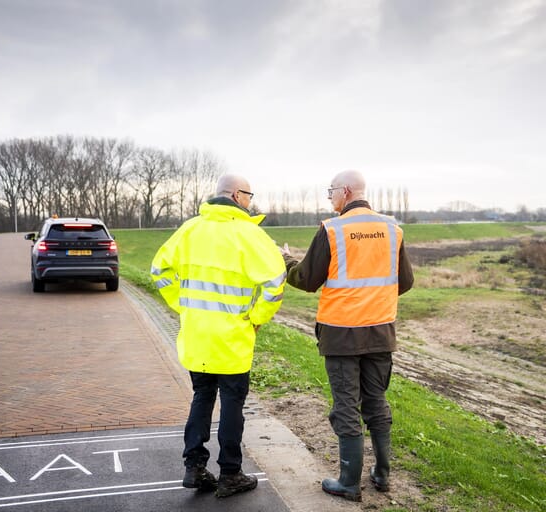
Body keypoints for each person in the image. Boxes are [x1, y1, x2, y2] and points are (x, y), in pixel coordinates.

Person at [281, 170, 414, 502]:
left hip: (341, 335)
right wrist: (374, 299)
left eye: (331, 191)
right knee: (376, 401)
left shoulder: (333, 229)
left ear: (347, 191)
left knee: (346, 406)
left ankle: (349, 482)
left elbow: (306, 279)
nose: (330, 197)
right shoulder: (392, 229)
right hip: (380, 332)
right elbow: (406, 282)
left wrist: (286, 260)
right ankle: (382, 475)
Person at [151, 174, 286, 498]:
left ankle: (194, 467)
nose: (250, 201)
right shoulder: (249, 234)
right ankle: (230, 473)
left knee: (202, 397)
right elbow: (275, 283)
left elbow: (159, 270)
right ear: (237, 195)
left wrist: (182, 305)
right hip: (232, 339)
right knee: (232, 404)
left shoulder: (190, 229)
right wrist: (257, 318)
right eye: (249, 195)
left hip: (197, 335)